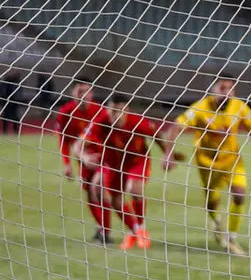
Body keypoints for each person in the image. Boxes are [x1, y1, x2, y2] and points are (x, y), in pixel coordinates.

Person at [163, 74, 251, 256]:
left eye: (230, 89)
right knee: (212, 202)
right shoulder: (200, 108)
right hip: (207, 163)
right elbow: (175, 126)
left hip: (232, 160)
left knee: (240, 195)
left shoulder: (239, 106)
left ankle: (231, 237)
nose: (227, 93)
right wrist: (168, 154)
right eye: (222, 88)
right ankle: (217, 224)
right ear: (213, 89)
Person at [76, 93, 177, 250]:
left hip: (136, 161)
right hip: (113, 162)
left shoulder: (137, 121)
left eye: (120, 111)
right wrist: (84, 157)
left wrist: (167, 154)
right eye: (112, 111)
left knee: (134, 188)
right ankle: (133, 231)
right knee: (101, 190)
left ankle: (141, 229)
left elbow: (157, 135)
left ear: (127, 110)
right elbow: (78, 145)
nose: (115, 115)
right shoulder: (100, 121)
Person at [55, 81, 112, 243]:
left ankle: (106, 233)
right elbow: (63, 139)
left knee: (98, 187)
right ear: (73, 93)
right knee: (90, 193)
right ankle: (101, 227)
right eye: (80, 91)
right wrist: (67, 164)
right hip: (81, 158)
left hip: (102, 157)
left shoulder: (100, 110)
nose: (84, 95)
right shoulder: (66, 112)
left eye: (87, 91)